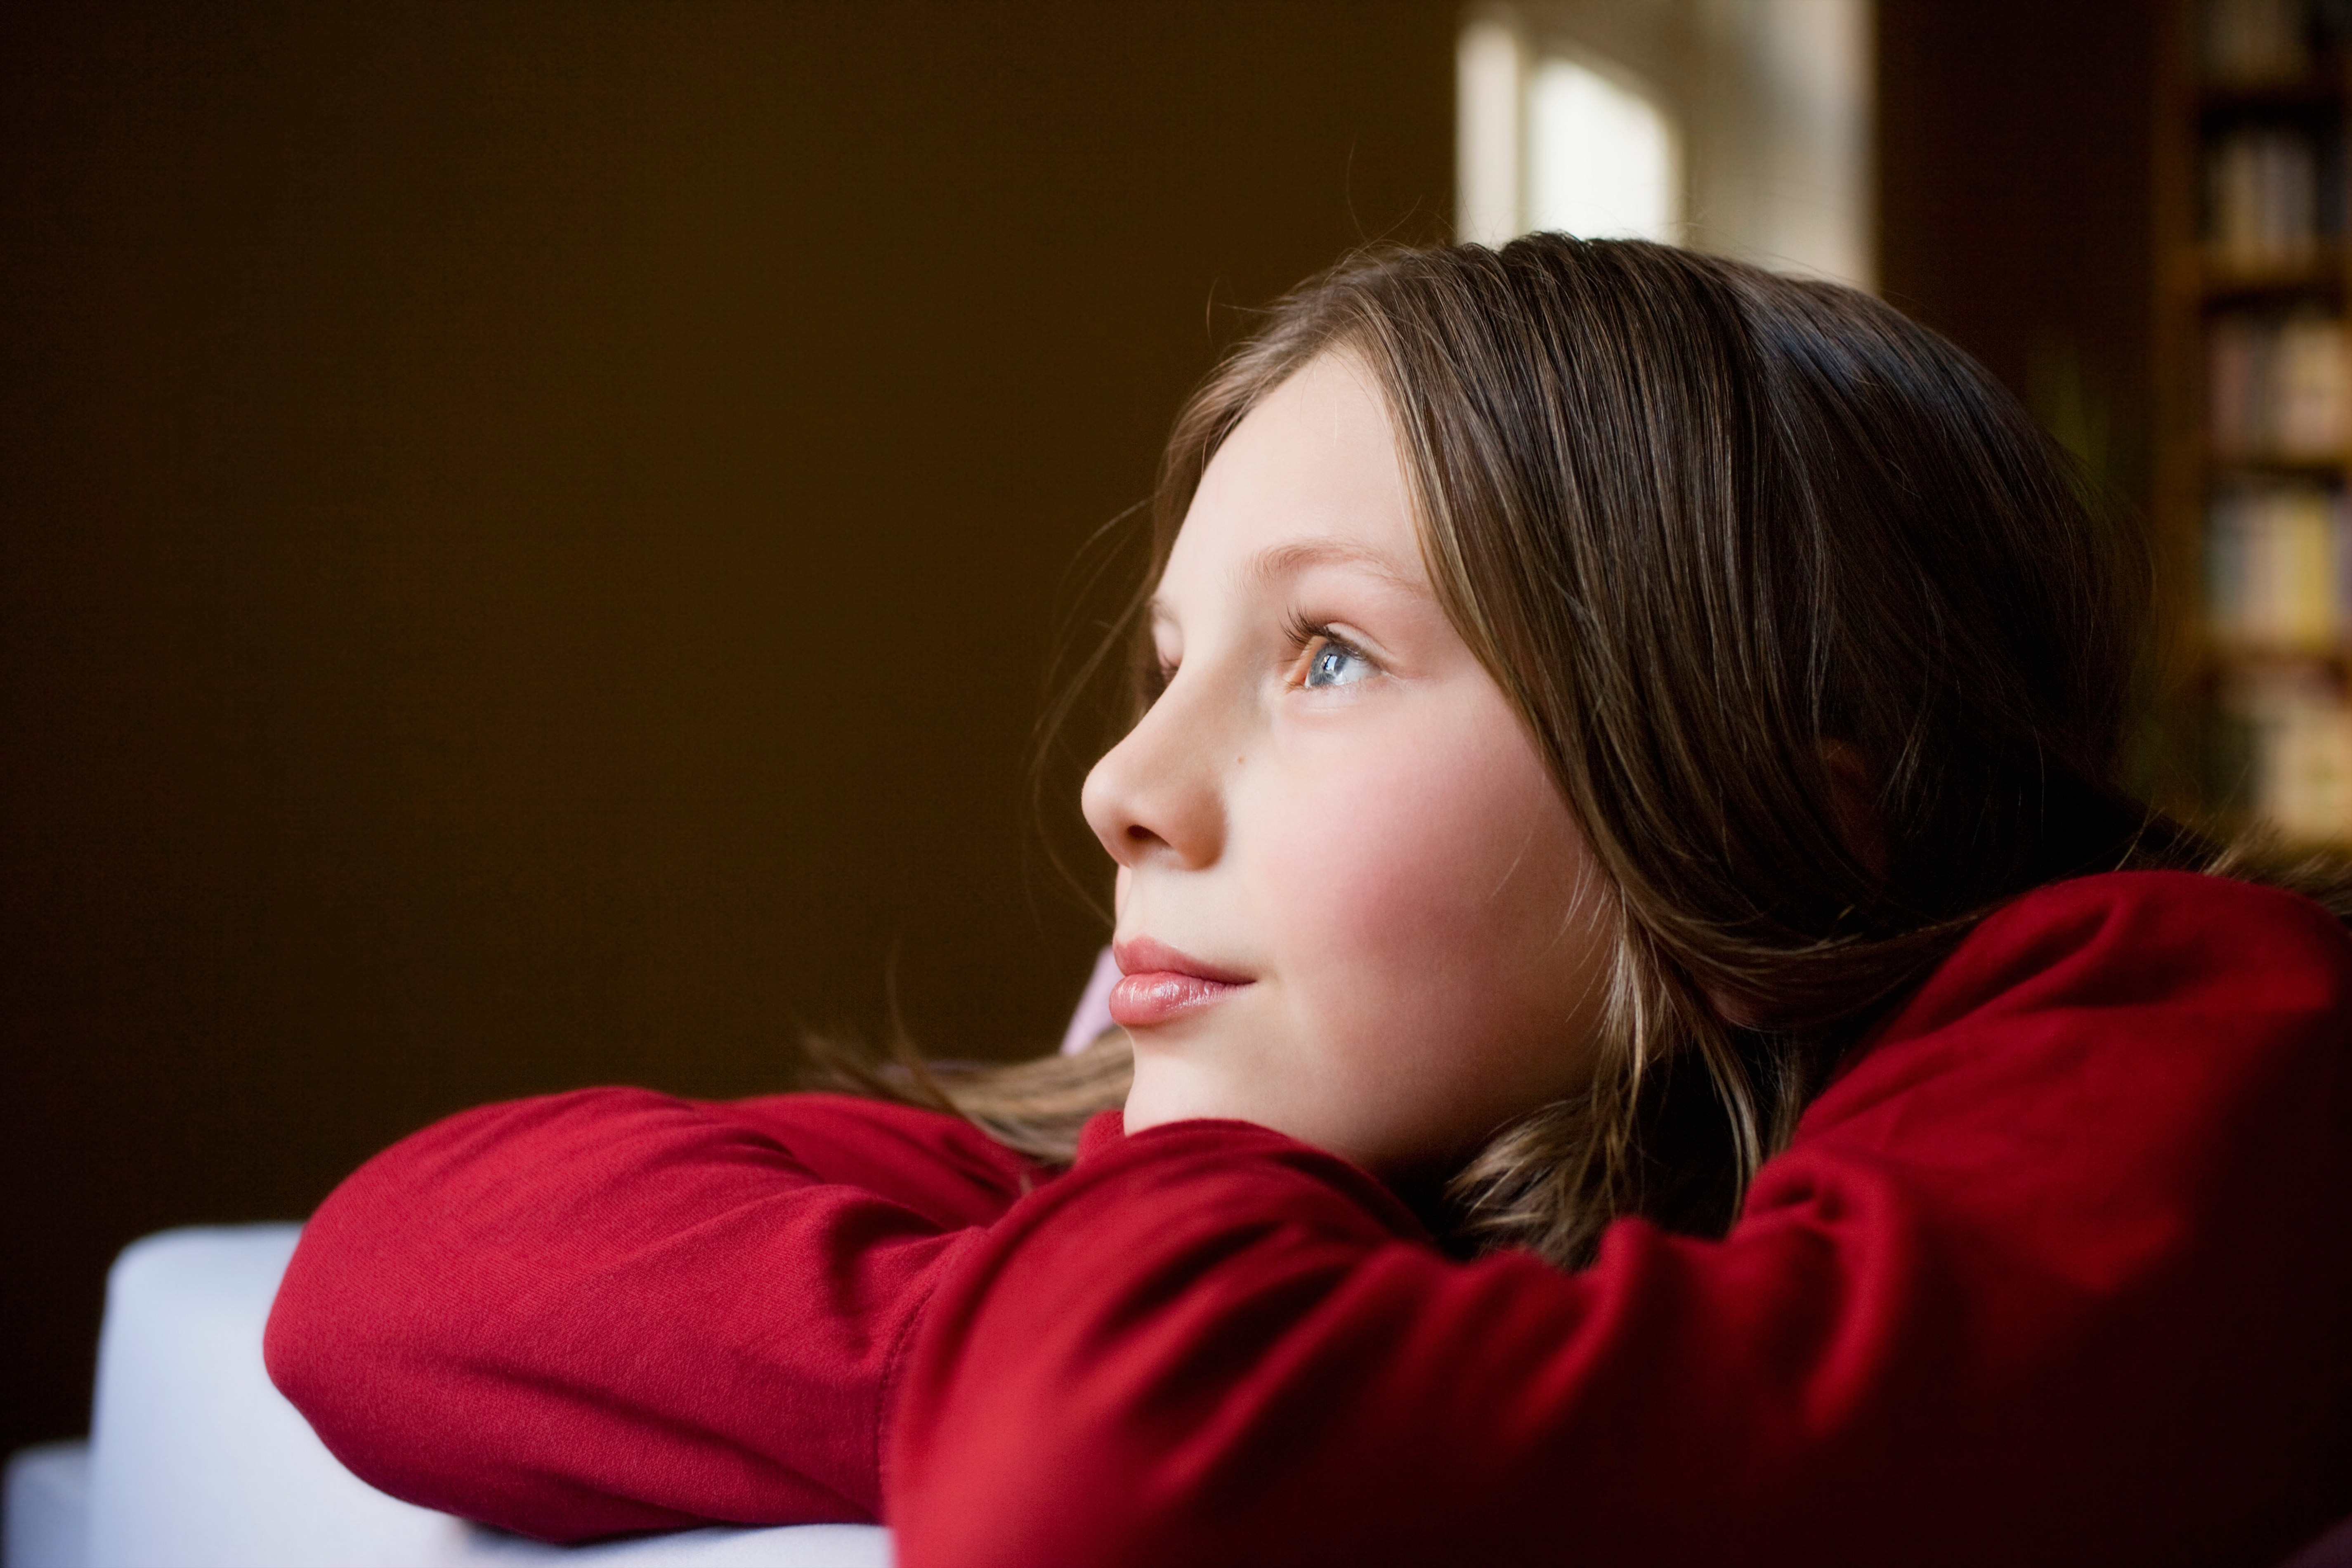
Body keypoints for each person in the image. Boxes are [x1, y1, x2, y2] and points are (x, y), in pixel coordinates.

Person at [264, 237, 2352, 1567]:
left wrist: (1117, 1310)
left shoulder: (2194, 1029)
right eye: (1171, 659)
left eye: (1327, 655)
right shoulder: (1378, 1135)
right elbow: (383, 1290)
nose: (1122, 783)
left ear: (1761, 812)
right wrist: (1103, 1277)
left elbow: (1110, 1470)